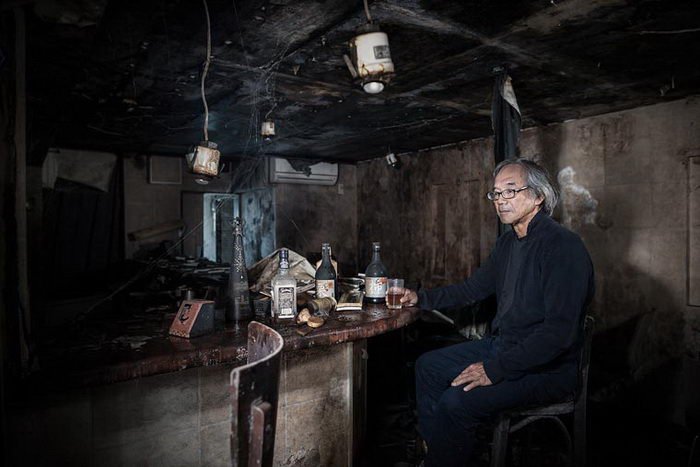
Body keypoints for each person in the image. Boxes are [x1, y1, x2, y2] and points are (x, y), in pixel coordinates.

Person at [394, 158, 594, 467]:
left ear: (539, 196)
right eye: (496, 193)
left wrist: (495, 369)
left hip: (548, 368)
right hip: (505, 346)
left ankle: (444, 457)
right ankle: (439, 455)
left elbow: (558, 334)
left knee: (456, 401)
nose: (500, 200)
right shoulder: (507, 243)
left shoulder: (563, 247)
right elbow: (473, 288)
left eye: (510, 191)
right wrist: (420, 298)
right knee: (428, 367)